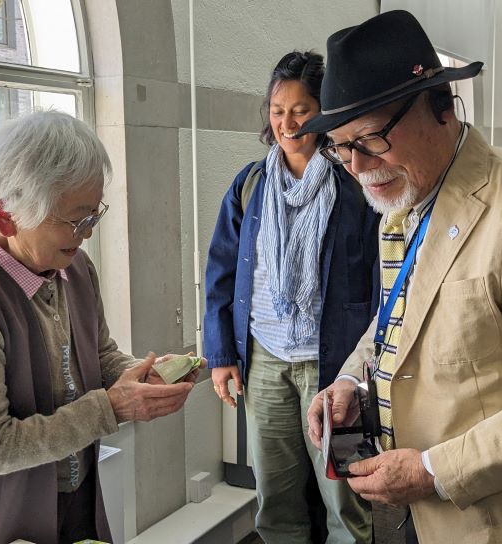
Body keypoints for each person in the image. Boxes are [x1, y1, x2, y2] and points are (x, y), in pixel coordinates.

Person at [302, 11, 502, 544]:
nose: (354, 166)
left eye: (370, 139)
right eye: (339, 146)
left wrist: (431, 469)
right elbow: (400, 318)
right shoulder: (404, 206)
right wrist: (351, 380)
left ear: (442, 107)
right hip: (420, 517)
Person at [0, 111, 201, 544]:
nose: (87, 234)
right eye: (75, 221)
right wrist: (112, 408)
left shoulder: (73, 265)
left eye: (93, 216)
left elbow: (97, 354)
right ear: (6, 216)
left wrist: (140, 375)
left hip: (68, 504)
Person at [204, 51, 379, 543]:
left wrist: (373, 365)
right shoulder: (251, 184)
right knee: (275, 497)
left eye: (301, 110)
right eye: (278, 110)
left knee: (346, 492)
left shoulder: (356, 182)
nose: (287, 122)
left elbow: (381, 278)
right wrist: (221, 354)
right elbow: (221, 270)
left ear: (323, 112)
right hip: (265, 363)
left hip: (339, 368)